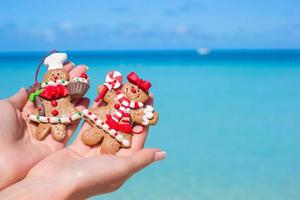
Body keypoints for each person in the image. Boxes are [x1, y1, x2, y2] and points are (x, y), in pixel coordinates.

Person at [0, 63, 165, 199]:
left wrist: (146, 115)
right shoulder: (115, 97)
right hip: (98, 119)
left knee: (106, 144)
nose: (134, 92)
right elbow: (104, 92)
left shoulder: (133, 108)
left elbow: (139, 114)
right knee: (89, 135)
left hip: (118, 131)